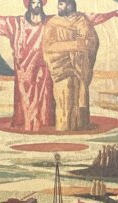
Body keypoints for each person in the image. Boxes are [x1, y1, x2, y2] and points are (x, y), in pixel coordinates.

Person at [0, 0, 118, 131]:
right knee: (26, 98)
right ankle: (27, 123)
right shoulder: (17, 23)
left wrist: (109, 15)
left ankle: (46, 122)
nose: (36, 5)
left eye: (38, 3)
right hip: (25, 69)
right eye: (33, 3)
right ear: (28, 5)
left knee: (46, 97)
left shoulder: (51, 21)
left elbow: (80, 18)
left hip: (45, 67)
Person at [42, 0, 101, 131]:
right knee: (65, 99)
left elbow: (93, 42)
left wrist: (84, 45)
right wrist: (75, 45)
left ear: (70, 5)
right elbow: (48, 46)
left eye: (61, 4)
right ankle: (64, 128)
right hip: (61, 67)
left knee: (80, 97)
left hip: (80, 67)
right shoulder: (53, 23)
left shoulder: (82, 21)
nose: (58, 6)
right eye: (59, 3)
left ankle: (81, 126)